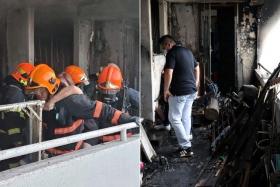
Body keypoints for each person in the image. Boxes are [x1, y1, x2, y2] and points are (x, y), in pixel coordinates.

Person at [25, 64, 139, 156]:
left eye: (40, 90)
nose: (38, 94)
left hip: (71, 157)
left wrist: (130, 120)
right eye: (35, 91)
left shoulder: (71, 101)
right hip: (49, 156)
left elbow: (103, 111)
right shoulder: (39, 103)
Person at [159, 35, 200, 157]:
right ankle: (185, 143)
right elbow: (197, 67)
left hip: (180, 91)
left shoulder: (172, 53)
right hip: (191, 91)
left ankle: (186, 147)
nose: (165, 50)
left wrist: (165, 90)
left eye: (164, 47)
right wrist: (196, 83)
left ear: (169, 44)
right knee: (185, 117)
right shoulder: (187, 51)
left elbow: (168, 72)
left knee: (174, 118)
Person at [0, 61, 34, 170]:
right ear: (24, 78)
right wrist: (18, 141)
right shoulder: (16, 93)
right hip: (9, 136)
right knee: (12, 163)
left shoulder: (8, 86)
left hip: (4, 132)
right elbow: (13, 119)